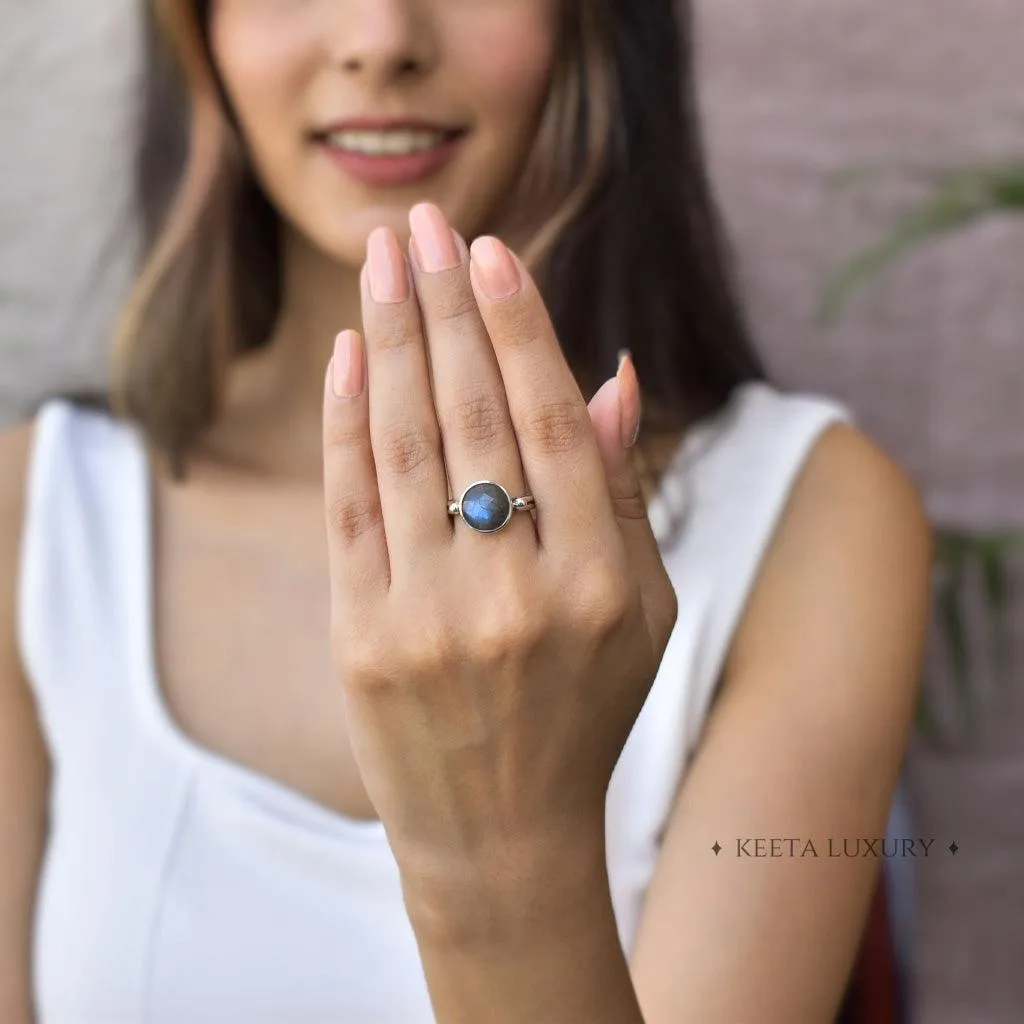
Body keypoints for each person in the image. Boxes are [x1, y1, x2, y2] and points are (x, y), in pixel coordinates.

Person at [0, 0, 934, 1021]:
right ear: (197, 31)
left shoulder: (808, 515)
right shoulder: (34, 515)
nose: (378, 37)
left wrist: (500, 851)